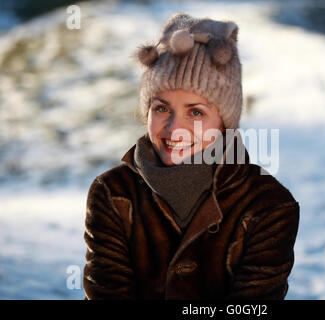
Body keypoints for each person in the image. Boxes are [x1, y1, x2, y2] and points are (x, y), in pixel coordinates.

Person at [83, 12, 300, 300]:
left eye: (196, 112)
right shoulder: (113, 194)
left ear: (224, 124)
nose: (174, 128)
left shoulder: (269, 207)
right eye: (161, 108)